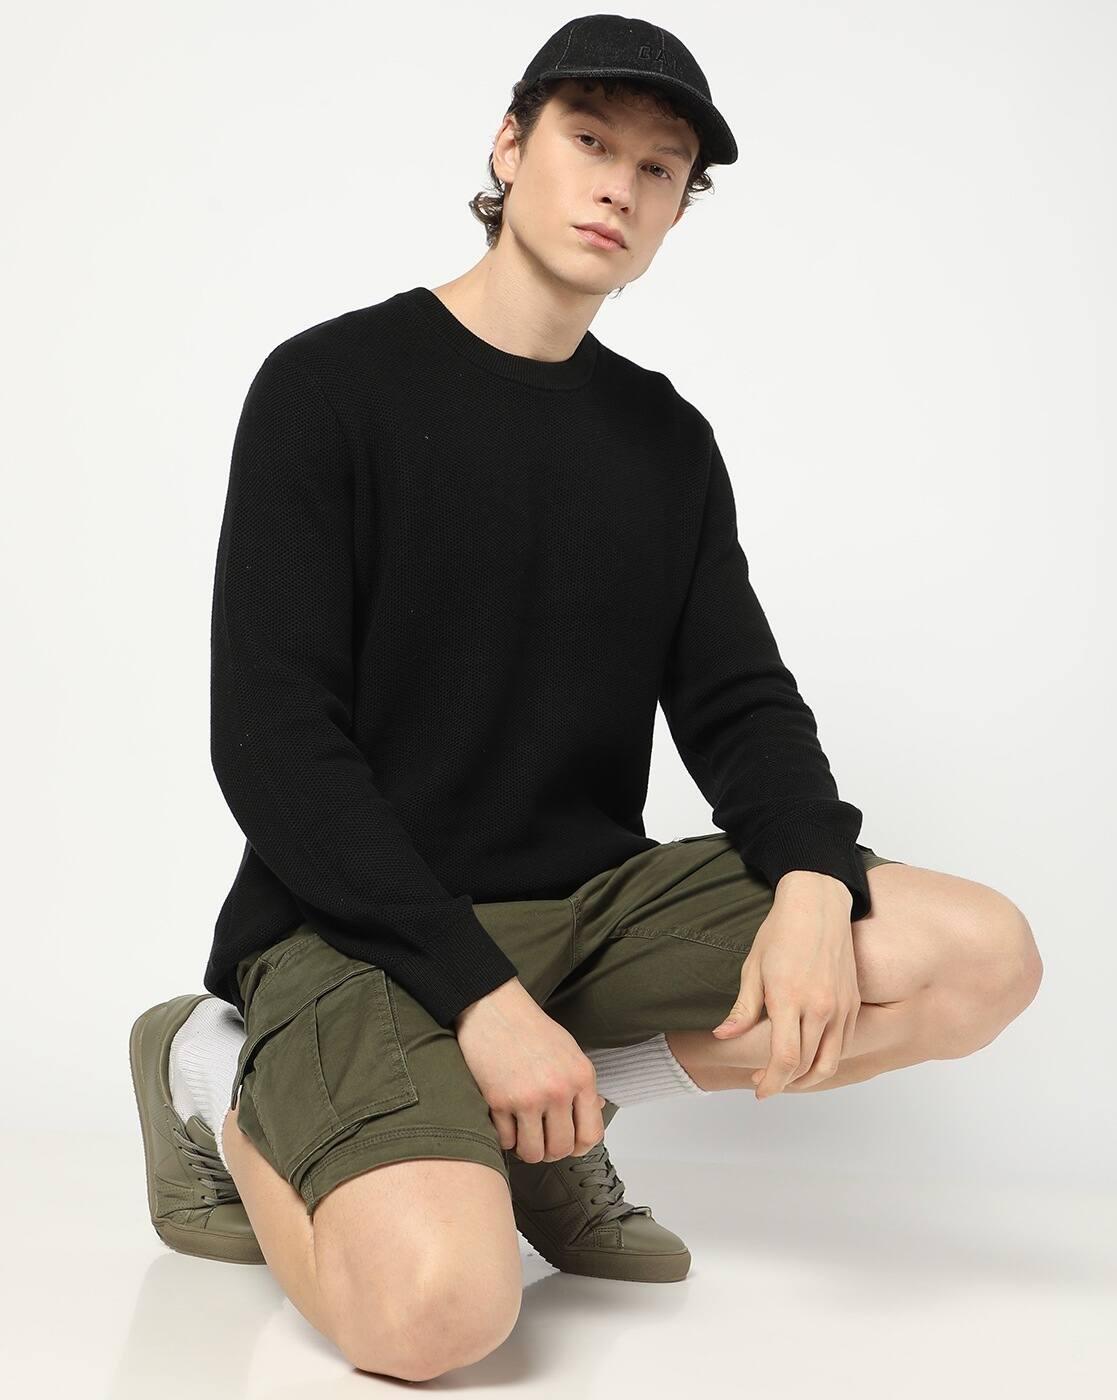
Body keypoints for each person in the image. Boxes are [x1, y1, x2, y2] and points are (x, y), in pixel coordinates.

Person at [129, 12, 1042, 1381]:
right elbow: (272, 743)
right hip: (356, 928)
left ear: (677, 211)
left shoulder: (664, 441)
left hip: (586, 907)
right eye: (589, 140)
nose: (619, 185)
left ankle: (552, 1115)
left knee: (975, 957)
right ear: (510, 146)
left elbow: (739, 701)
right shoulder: (330, 386)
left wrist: (810, 877)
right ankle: (215, 1075)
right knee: (440, 1317)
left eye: (659, 169)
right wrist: (481, 1002)